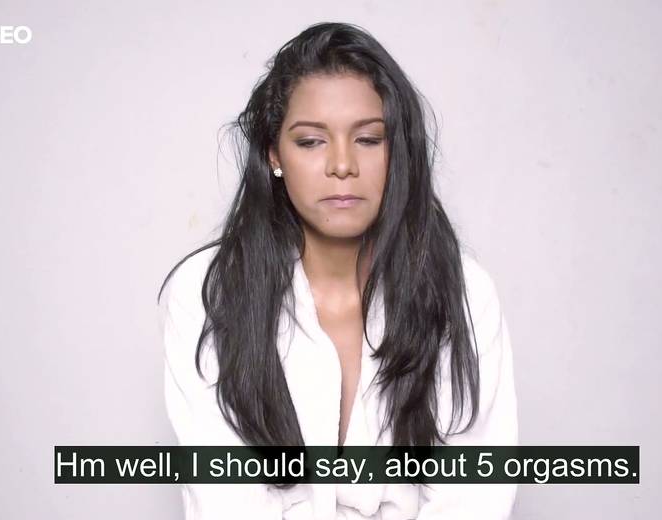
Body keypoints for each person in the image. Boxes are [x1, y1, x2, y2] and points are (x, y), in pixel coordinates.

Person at [157, 21, 518, 519]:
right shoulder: (209, 293)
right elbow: (225, 501)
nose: (342, 165)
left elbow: (474, 496)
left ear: (397, 152)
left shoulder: (464, 291)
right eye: (311, 142)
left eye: (368, 139)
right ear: (274, 154)